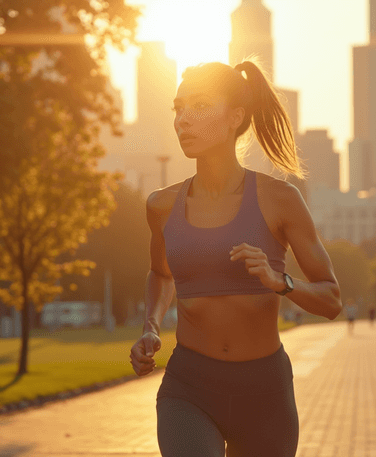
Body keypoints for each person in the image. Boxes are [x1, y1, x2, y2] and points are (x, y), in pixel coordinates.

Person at [128, 60, 342, 457]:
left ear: (235, 117)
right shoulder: (161, 205)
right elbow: (161, 274)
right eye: (178, 108)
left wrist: (281, 282)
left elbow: (331, 300)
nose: (183, 119)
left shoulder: (280, 200)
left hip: (265, 393)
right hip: (188, 388)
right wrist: (150, 327)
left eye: (200, 106)